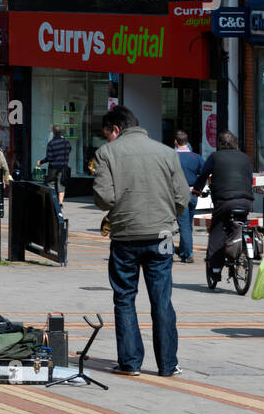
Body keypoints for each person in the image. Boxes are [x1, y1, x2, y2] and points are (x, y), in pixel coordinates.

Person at [92, 105, 189, 377]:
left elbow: (104, 199)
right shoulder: (167, 152)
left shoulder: (106, 154)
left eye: (107, 134)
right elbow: (182, 197)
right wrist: (166, 217)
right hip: (162, 236)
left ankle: (131, 363)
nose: (107, 140)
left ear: (116, 129)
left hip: (125, 236)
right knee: (162, 300)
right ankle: (168, 365)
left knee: (124, 298)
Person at [194, 131, 254, 281]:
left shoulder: (215, 157)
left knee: (217, 230)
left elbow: (203, 174)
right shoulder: (245, 157)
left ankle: (215, 268)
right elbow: (249, 177)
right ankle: (240, 250)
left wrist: (197, 189)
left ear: (219, 143)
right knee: (239, 224)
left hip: (225, 201)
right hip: (246, 201)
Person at [172, 131, 204, 263]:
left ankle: (188, 254)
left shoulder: (171, 157)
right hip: (193, 194)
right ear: (187, 141)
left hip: (179, 194)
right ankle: (185, 249)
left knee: (184, 225)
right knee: (188, 224)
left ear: (175, 142)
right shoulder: (196, 157)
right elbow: (203, 174)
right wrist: (198, 189)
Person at [38, 126, 72, 208]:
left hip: (53, 167)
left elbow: (49, 158)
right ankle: (60, 203)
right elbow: (69, 150)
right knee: (61, 184)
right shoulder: (66, 142)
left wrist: (41, 162)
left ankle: (54, 202)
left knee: (50, 183)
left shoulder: (51, 143)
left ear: (53, 133)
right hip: (63, 166)